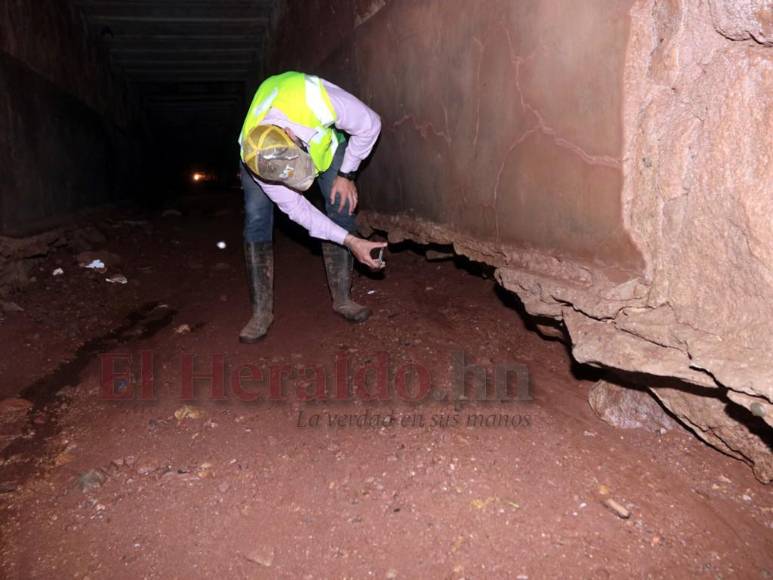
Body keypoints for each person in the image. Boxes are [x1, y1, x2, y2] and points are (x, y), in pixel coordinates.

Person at [237, 71, 386, 343]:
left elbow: (371, 124)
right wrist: (352, 242)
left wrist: (346, 174)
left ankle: (343, 299)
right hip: (266, 152)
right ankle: (261, 313)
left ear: (290, 134)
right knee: (257, 216)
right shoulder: (259, 165)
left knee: (341, 202)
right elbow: (300, 211)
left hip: (322, 143)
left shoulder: (316, 100)